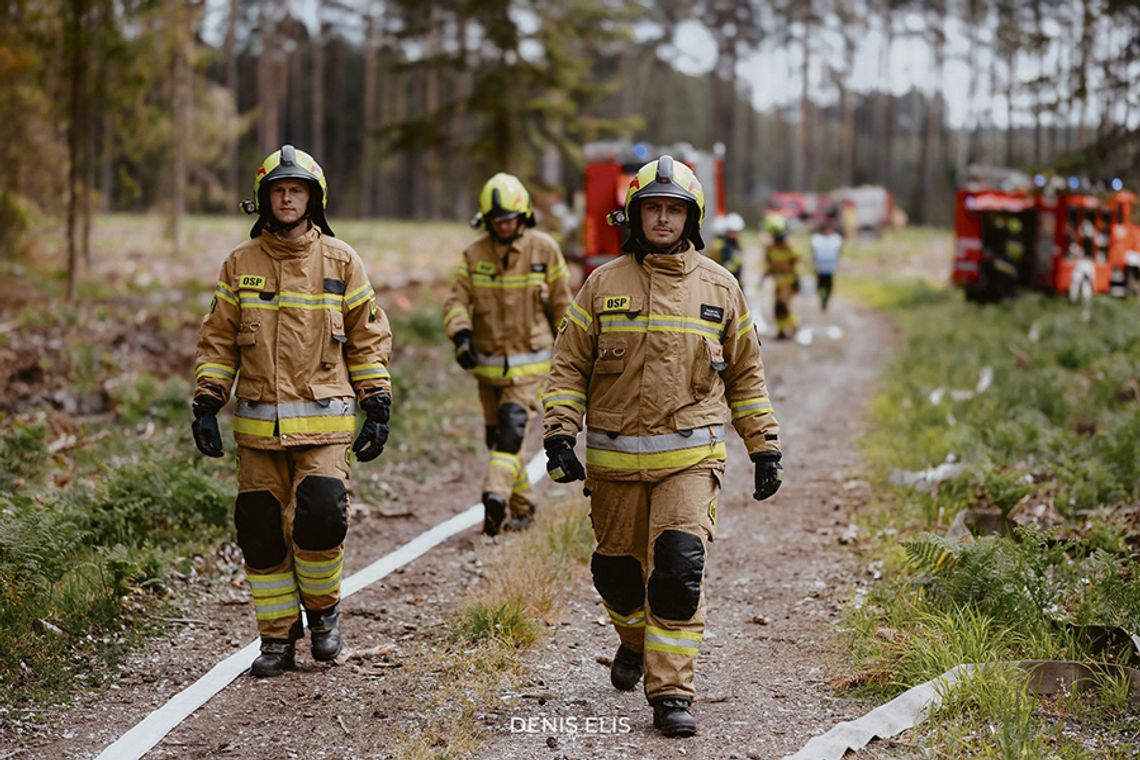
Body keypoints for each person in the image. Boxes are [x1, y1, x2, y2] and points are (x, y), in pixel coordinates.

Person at [541, 155, 783, 737]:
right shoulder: (601, 285)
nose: (664, 219)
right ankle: (632, 639)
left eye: (675, 209)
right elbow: (569, 366)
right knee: (616, 574)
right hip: (614, 462)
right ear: (635, 216)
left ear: (691, 218)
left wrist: (764, 446)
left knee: (678, 569)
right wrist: (558, 434)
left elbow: (746, 376)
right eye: (654, 208)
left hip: (691, 461)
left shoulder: (721, 288)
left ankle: (672, 691)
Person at [191, 145, 393, 677]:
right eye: (279, 190)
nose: (287, 197)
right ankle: (277, 638)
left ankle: (324, 614)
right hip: (258, 429)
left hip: (325, 424)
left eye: (296, 189)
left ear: (312, 198)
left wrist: (377, 403)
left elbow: (367, 340)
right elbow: (219, 342)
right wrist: (208, 402)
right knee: (258, 528)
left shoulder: (341, 261)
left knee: (322, 517)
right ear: (264, 197)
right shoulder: (240, 264)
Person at [442, 173, 573, 536]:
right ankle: (524, 509)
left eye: (509, 219)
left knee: (511, 434)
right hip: (487, 373)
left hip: (530, 372)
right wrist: (461, 336)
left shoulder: (544, 251)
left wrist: (572, 360)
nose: (503, 226)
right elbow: (456, 302)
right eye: (496, 221)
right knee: (499, 444)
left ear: (523, 217)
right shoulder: (474, 255)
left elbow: (564, 308)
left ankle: (493, 496)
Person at [763, 213, 800, 339]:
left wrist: (797, 280)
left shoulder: (789, 246)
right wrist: (765, 275)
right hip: (778, 282)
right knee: (777, 307)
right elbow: (770, 264)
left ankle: (794, 326)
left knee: (784, 305)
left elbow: (797, 263)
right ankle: (781, 330)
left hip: (789, 282)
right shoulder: (769, 247)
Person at [810, 213, 843, 311]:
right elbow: (813, 253)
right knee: (820, 286)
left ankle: (825, 300)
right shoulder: (817, 239)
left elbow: (838, 253)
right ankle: (822, 299)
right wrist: (813, 263)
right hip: (820, 267)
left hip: (830, 267)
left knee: (828, 286)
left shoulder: (836, 239)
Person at [707, 212, 745, 285]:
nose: (735, 235)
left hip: (734, 281)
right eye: (733, 232)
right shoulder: (718, 246)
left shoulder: (735, 244)